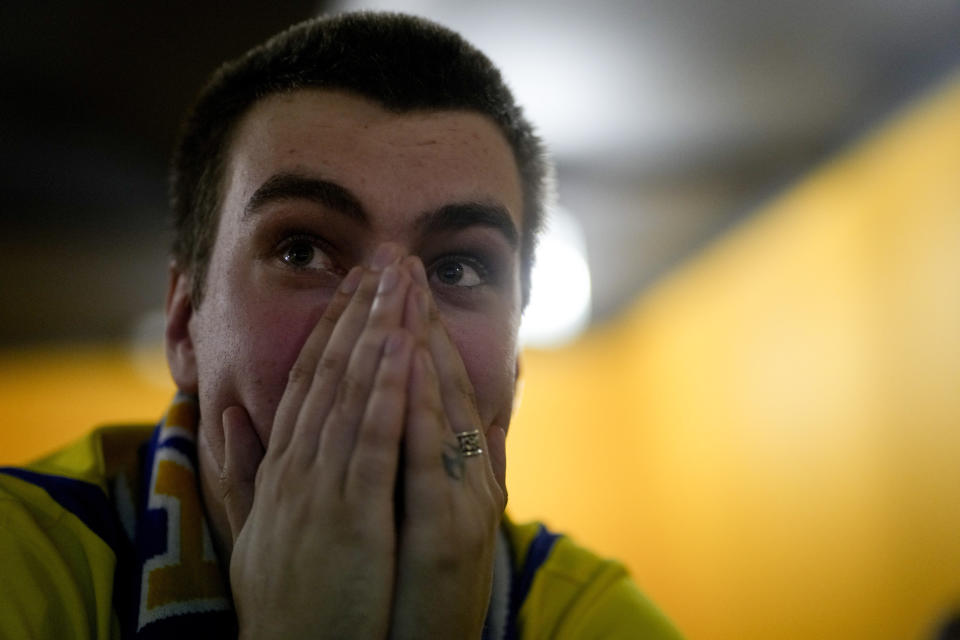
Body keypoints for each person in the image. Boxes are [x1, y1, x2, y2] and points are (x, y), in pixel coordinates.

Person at [0, 12, 683, 639]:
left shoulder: (591, 617)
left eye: (458, 269)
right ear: (183, 326)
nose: (389, 336)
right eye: (302, 251)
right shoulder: (22, 558)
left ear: (516, 365)